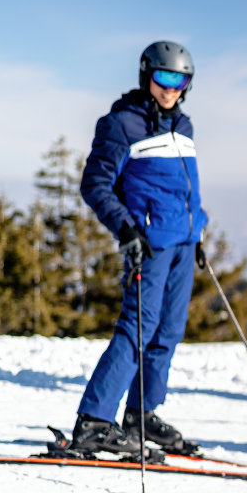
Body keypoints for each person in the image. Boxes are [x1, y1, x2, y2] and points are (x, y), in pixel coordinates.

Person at [69, 41, 207, 458]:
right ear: (147, 75)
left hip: (183, 244)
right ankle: (94, 421)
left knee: (168, 332)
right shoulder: (121, 124)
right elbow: (95, 184)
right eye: (164, 77)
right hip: (148, 245)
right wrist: (126, 229)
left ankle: (141, 414)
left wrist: (196, 233)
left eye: (180, 81)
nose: (171, 89)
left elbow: (182, 190)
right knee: (138, 330)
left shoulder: (184, 128)